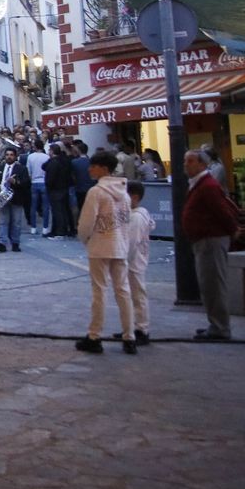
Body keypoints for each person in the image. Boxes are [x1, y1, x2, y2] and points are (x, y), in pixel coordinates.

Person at [74, 150, 135, 355]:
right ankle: (130, 336)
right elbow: (127, 221)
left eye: (94, 166)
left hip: (100, 245)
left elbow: (86, 223)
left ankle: (95, 335)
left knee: (99, 291)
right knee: (123, 291)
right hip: (119, 245)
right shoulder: (124, 192)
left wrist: (85, 238)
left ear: (103, 168)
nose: (90, 169)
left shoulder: (97, 192)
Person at [183, 148, 239, 341]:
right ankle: (215, 323)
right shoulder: (200, 184)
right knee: (208, 284)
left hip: (211, 240)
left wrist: (232, 230)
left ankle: (220, 327)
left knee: (214, 284)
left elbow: (222, 211)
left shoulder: (207, 186)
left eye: (190, 161)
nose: (186, 165)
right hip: (204, 240)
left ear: (202, 164)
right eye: (185, 161)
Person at [122, 180, 153, 346]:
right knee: (132, 295)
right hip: (135, 260)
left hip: (134, 261)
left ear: (134, 197)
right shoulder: (138, 214)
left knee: (137, 295)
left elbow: (131, 243)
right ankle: (132, 326)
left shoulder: (136, 217)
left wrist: (122, 260)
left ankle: (142, 328)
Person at [0, 147, 29, 252]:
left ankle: (15, 243)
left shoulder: (21, 169)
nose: (9, 157)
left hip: (16, 197)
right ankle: (2, 243)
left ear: (15, 157)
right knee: (2, 221)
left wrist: (15, 182)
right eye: (7, 155)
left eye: (11, 155)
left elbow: (26, 183)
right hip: (2, 197)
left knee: (16, 222)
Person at [44, 144, 74, 239]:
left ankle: (60, 231)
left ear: (52, 151)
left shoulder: (54, 162)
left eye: (49, 150)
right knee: (63, 210)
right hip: (64, 188)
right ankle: (65, 229)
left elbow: (50, 177)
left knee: (57, 211)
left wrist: (48, 185)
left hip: (55, 189)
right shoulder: (64, 160)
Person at [25, 138, 49, 235]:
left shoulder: (30, 157)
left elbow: (28, 171)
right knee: (46, 206)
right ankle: (45, 228)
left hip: (34, 182)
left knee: (33, 206)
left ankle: (33, 227)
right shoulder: (46, 157)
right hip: (44, 182)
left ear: (35, 147)